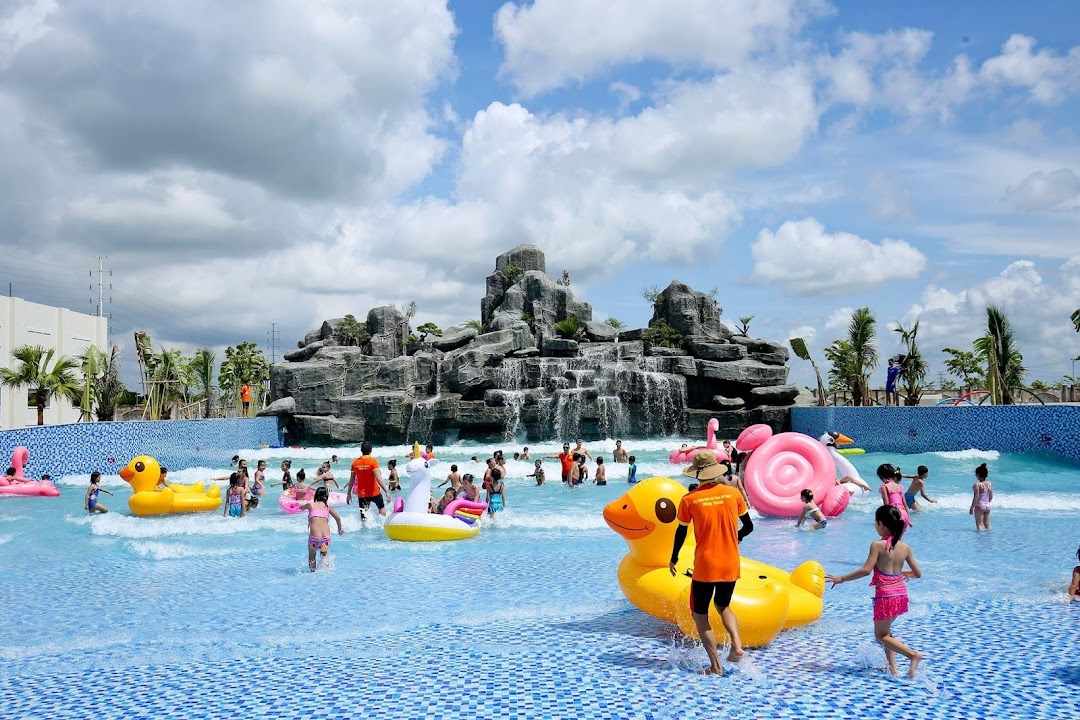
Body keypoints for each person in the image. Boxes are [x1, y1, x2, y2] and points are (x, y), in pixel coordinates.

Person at [669, 452, 753, 676]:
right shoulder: (732, 494)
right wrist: (736, 538)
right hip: (730, 561)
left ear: (697, 474)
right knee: (723, 605)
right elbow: (748, 526)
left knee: (700, 614)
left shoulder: (690, 499)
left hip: (706, 564)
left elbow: (681, 531)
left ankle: (715, 666)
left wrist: (674, 557)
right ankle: (736, 646)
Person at [826, 506, 923, 678]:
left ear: (881, 524)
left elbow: (866, 570)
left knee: (880, 636)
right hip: (901, 595)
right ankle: (892, 669)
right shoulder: (905, 547)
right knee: (887, 633)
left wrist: (841, 578)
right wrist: (902, 574)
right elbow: (917, 574)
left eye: (875, 522)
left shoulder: (877, 545)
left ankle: (912, 655)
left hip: (885, 596)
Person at [300, 486, 344, 572]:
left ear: (316, 496)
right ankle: (326, 572)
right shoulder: (328, 507)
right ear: (326, 496)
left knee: (312, 557)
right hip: (326, 538)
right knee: (324, 556)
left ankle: (312, 573)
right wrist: (340, 530)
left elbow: (301, 507)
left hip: (314, 538)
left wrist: (300, 506)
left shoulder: (310, 505)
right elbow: (338, 518)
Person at [347, 441, 390, 523]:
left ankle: (364, 533)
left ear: (361, 450)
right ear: (371, 450)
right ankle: (382, 526)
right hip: (375, 492)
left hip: (362, 494)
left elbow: (351, 480)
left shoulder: (355, 463)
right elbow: (378, 478)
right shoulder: (373, 462)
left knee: (364, 516)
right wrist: (386, 491)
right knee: (382, 509)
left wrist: (348, 493)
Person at [877, 464, 911, 530]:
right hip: (904, 515)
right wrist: (908, 520)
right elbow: (905, 504)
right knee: (898, 539)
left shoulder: (884, 487)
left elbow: (886, 505)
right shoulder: (899, 486)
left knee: (889, 538)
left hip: (894, 515)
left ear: (881, 476)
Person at [969, 462, 993, 531]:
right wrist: (986, 503)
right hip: (987, 506)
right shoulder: (989, 484)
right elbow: (991, 496)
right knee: (987, 524)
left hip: (979, 506)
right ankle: (989, 538)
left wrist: (972, 508)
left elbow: (976, 497)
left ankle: (980, 540)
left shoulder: (977, 485)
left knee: (979, 525)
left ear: (977, 475)